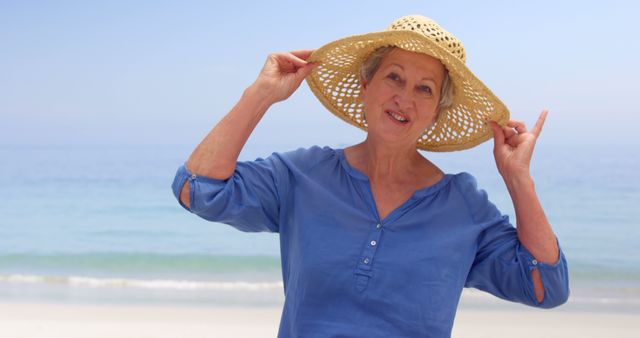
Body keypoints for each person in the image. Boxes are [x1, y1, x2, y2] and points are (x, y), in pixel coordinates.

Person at [171, 15, 569, 338]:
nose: (405, 98)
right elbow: (197, 189)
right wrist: (259, 94)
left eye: (425, 89)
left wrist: (517, 178)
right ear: (366, 86)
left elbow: (545, 286)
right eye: (393, 77)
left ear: (436, 112)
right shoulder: (302, 176)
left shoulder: (463, 206)